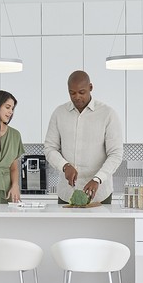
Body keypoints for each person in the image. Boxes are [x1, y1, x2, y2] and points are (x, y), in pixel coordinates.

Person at [44, 70, 124, 204]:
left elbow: (116, 154)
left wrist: (97, 179)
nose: (77, 97)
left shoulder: (108, 114)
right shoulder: (59, 113)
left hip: (99, 194)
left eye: (81, 92)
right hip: (67, 194)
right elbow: (49, 148)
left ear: (90, 88)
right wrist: (65, 166)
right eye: (72, 93)